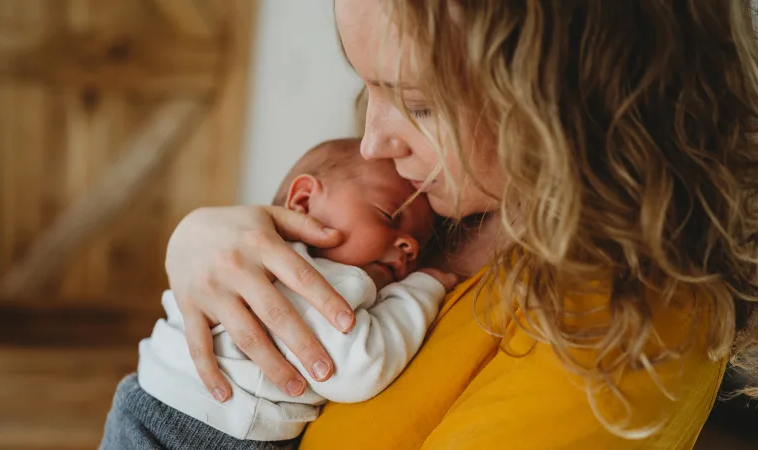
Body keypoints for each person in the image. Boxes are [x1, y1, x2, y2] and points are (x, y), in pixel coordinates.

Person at [161, 1, 758, 448]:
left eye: (419, 104)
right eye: (367, 84)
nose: (372, 141)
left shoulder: (626, 321)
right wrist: (201, 241)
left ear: (566, 97)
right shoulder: (440, 210)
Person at [101, 138, 457, 449]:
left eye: (420, 247)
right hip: (200, 431)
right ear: (302, 201)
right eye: (388, 214)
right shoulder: (324, 280)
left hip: (151, 401)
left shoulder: (242, 251)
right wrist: (424, 286)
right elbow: (360, 368)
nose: (408, 245)